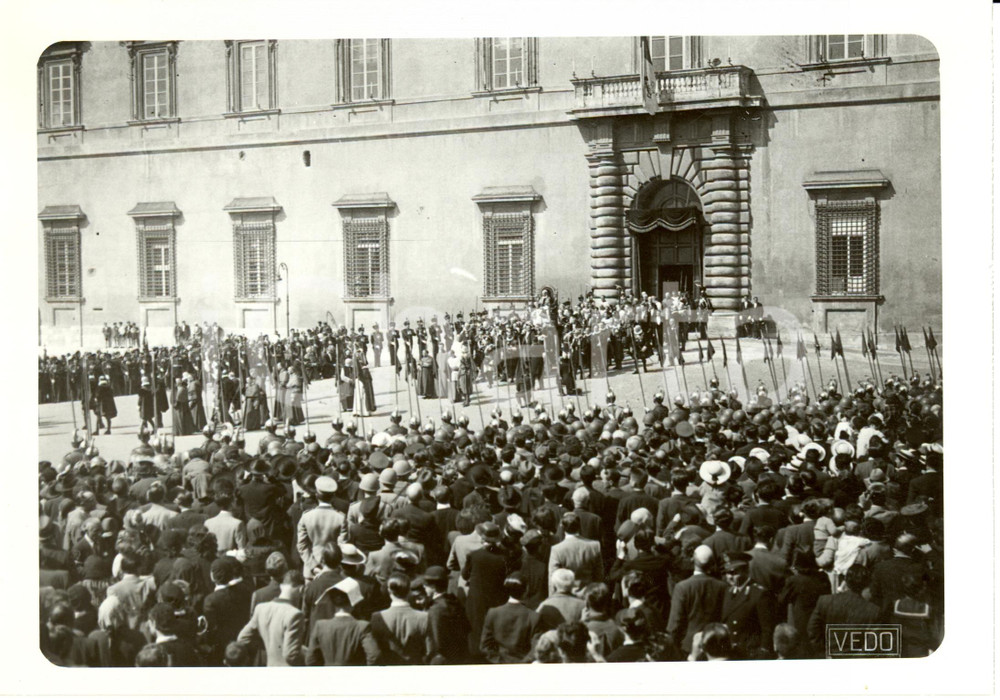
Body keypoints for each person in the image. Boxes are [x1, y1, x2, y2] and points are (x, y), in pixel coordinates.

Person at [236, 570, 306, 666]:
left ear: (281, 586)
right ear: (301, 589)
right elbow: (291, 656)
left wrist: (269, 646)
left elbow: (242, 638)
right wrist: (305, 653)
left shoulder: (260, 608)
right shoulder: (295, 614)